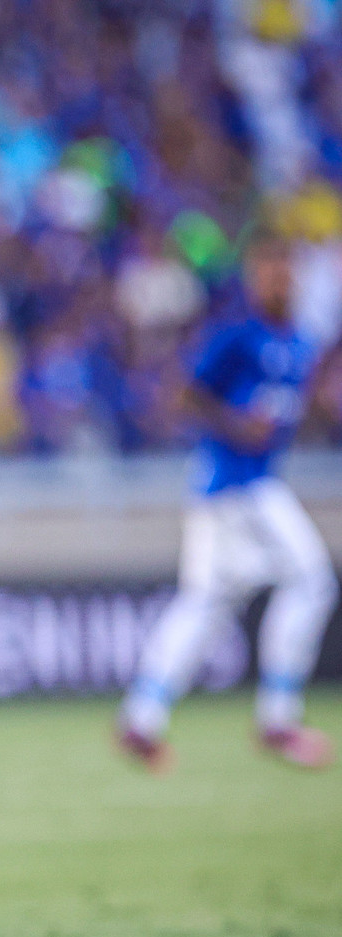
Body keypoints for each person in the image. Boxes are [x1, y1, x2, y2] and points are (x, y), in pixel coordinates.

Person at [118, 234, 338, 772]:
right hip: (236, 484)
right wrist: (233, 424)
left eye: (285, 268)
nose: (278, 279)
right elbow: (184, 392)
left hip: (240, 484)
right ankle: (278, 717)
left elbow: (290, 412)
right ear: (252, 276)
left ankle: (141, 719)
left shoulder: (299, 344)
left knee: (206, 601)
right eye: (268, 269)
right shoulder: (237, 336)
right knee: (312, 580)